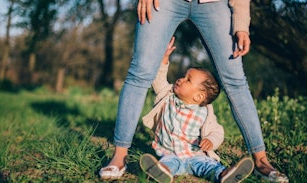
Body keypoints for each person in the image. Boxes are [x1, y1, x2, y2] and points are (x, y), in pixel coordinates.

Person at [99, 0, 288, 182]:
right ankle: (119, 156)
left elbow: (216, 132)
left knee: (236, 81)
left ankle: (261, 161)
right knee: (140, 73)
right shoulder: (171, 94)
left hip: (214, 4)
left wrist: (241, 24)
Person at [139, 37, 254, 183]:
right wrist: (164, 58)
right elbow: (158, 79)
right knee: (167, 164)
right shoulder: (168, 96)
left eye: (188, 80)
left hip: (196, 155)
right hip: (170, 154)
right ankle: (162, 173)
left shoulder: (205, 113)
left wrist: (211, 141)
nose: (181, 79)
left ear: (199, 96)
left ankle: (224, 175)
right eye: (183, 76)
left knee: (209, 166)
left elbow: (217, 131)